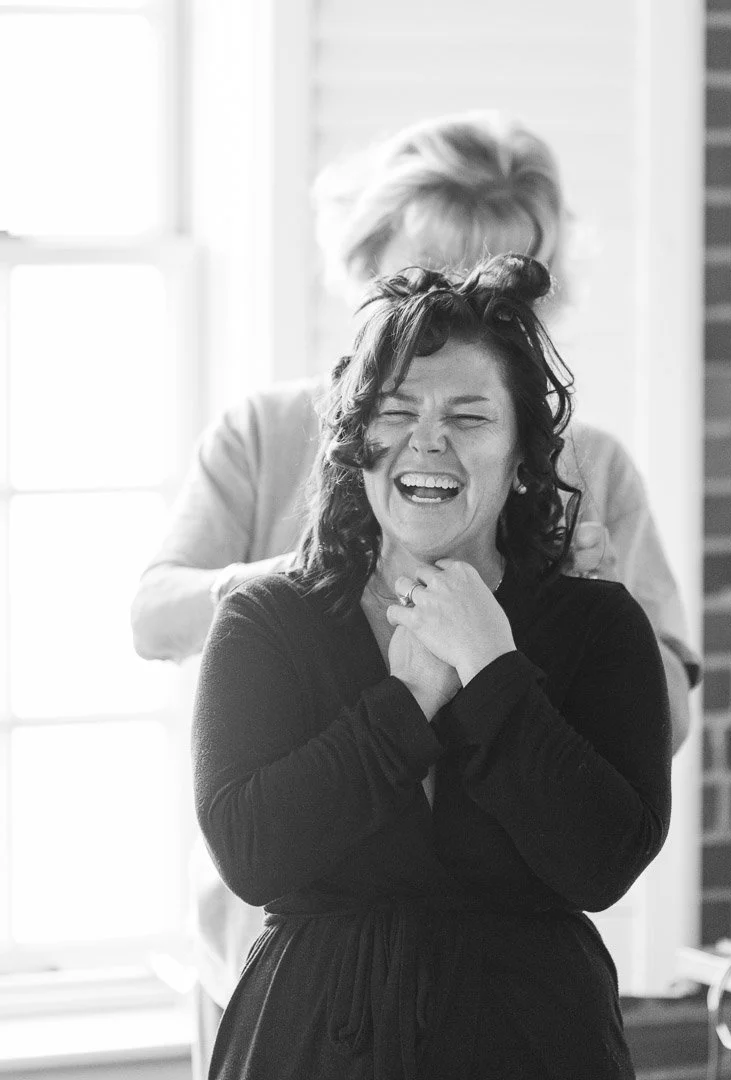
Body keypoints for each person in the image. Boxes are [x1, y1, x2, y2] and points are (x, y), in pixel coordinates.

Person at [130, 112, 700, 1075]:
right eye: (431, 268)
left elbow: (648, 755)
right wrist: (340, 578)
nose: (459, 296)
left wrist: (555, 628)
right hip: (288, 963)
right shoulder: (264, 439)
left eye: (497, 276)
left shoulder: (591, 472)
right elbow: (154, 619)